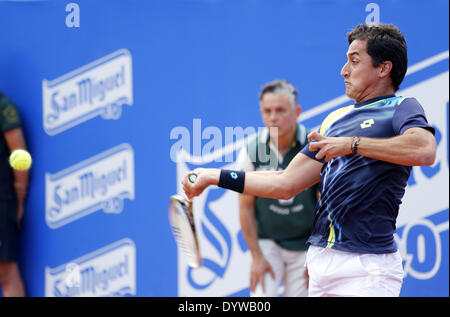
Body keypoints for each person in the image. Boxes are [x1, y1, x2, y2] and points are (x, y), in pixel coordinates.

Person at [182, 23, 437, 297]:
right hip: (321, 263)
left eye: (354, 60)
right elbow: (285, 182)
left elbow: (424, 150)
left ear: (383, 68)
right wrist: (214, 176)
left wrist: (352, 145)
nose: (344, 70)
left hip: (367, 267)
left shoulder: (401, 107)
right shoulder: (334, 120)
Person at [236, 79, 318, 297]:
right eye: (267, 110)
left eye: (280, 110)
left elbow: (328, 206)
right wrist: (256, 257)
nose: (273, 117)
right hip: (267, 242)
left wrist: (318, 255)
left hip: (306, 244)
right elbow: (245, 207)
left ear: (297, 112)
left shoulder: (315, 147)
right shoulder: (251, 151)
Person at [0, 91, 28, 297]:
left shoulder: (4, 108)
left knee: (5, 273)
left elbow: (20, 155)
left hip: (2, 200)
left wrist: (19, 195)